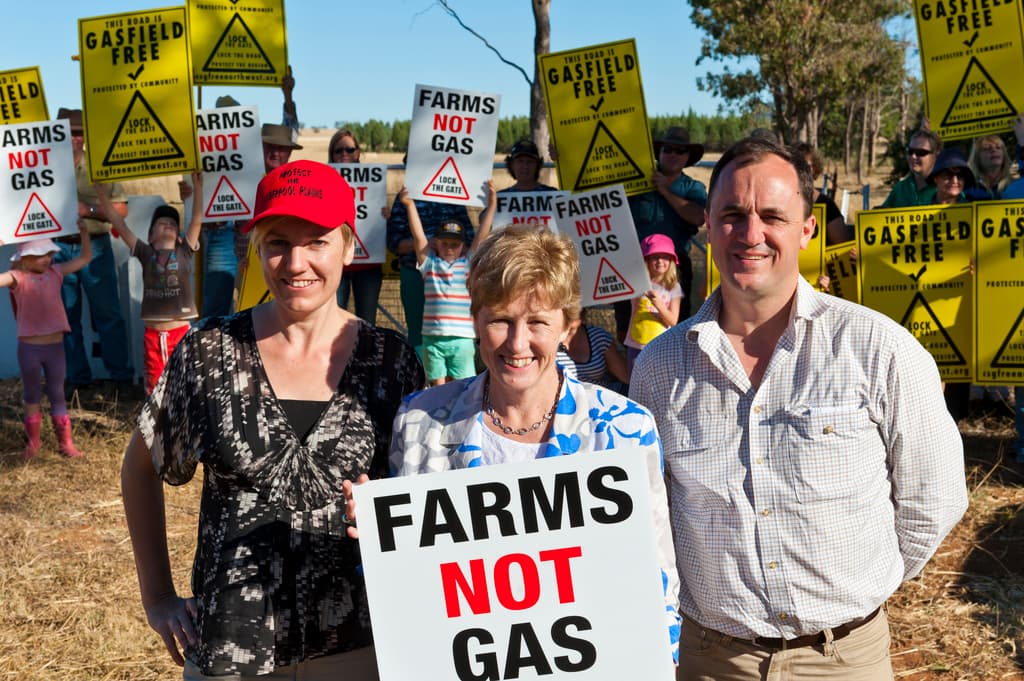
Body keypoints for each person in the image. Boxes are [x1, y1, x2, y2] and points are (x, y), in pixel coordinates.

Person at [631, 136, 968, 680]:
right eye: (732, 215)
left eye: (772, 216)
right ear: (708, 226)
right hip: (712, 660)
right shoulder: (658, 366)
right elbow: (651, 513)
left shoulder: (878, 348)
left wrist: (857, 591)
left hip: (844, 660)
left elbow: (935, 498)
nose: (751, 234)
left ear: (807, 229)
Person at [121, 160, 424, 679]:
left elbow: (421, 496)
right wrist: (158, 597)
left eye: (317, 242)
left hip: (360, 644)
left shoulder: (391, 361)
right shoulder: (209, 352)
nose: (296, 263)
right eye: (279, 242)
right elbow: (140, 466)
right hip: (230, 645)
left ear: (349, 247)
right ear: (256, 248)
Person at [387, 224, 681, 665]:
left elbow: (655, 581)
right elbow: (412, 593)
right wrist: (379, 536)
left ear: (568, 326)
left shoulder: (624, 429)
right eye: (500, 320)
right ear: (475, 319)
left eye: (538, 322)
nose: (517, 343)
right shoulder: (419, 421)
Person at [184, 74, 302, 317]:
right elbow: (201, 193)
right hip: (227, 241)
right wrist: (189, 195)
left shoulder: (281, 174)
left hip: (262, 245)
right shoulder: (214, 155)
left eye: (281, 148)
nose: (276, 152)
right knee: (218, 309)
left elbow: (288, 131)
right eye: (271, 146)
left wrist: (288, 95)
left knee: (264, 310)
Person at [53, 107, 135, 396]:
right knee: (66, 318)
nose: (74, 138)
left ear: (85, 136)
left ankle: (121, 379)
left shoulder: (100, 166)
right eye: (69, 132)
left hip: (96, 247)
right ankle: (77, 379)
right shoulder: (45, 167)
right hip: (57, 248)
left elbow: (121, 209)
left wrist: (87, 209)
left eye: (78, 133)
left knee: (108, 314)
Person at [98, 174, 204, 394]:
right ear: (150, 237)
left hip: (180, 333)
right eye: (161, 223)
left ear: (180, 237)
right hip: (153, 337)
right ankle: (157, 416)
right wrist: (102, 194)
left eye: (173, 224)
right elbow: (118, 223)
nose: (168, 224)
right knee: (155, 387)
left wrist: (198, 188)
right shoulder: (145, 253)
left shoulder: (184, 253)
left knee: (186, 385)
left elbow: (196, 220)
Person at [1, 228, 92, 459]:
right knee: (32, 394)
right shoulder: (17, 277)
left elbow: (85, 258)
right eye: (39, 254)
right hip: (29, 348)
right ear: (24, 258)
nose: (46, 259)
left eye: (49, 253)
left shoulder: (56, 272)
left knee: (57, 393)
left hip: (55, 347)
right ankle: (33, 443)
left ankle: (66, 443)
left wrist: (84, 234)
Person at [399, 181, 495, 385]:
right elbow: (418, 236)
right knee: (438, 389)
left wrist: (492, 204)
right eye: (444, 243)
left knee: (463, 387)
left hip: (462, 339)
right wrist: (409, 205)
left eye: (455, 244)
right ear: (436, 243)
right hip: (432, 338)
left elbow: (482, 234)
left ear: (464, 245)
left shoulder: (468, 263)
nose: (449, 248)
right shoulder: (429, 264)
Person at [619, 127, 707, 338]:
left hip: (674, 267)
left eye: (680, 151)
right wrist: (564, 159)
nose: (673, 155)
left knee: (676, 327)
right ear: (659, 152)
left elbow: (699, 217)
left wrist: (665, 190)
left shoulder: (693, 188)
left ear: (687, 157)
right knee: (627, 325)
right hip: (635, 265)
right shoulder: (636, 179)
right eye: (668, 149)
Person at [386, 178, 474, 356]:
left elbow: (470, 238)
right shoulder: (405, 197)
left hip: (454, 277)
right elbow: (393, 242)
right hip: (413, 272)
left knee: (455, 333)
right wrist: (424, 246)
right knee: (417, 332)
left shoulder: (453, 193)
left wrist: (448, 247)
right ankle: (420, 370)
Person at [329, 128, 385, 323]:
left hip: (368, 265)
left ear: (358, 152)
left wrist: (385, 215)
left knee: (367, 322)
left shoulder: (373, 181)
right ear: (332, 153)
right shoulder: (325, 180)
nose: (344, 154)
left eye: (350, 149)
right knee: (332, 321)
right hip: (335, 263)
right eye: (339, 150)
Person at [625, 234, 682, 373]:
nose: (660, 261)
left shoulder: (674, 287)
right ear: (646, 260)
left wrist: (658, 304)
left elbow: (673, 321)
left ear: (671, 261)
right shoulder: (637, 283)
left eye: (665, 257)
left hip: (661, 347)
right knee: (636, 380)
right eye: (655, 257)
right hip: (637, 345)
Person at [881, 128, 941, 208]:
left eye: (920, 152)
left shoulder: (945, 188)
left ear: (936, 155)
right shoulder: (900, 188)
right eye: (910, 151)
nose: (913, 156)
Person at [966, 134, 1013, 201]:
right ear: (977, 157)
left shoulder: (1015, 182)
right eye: (987, 148)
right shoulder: (968, 187)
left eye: (998, 147)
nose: (994, 150)